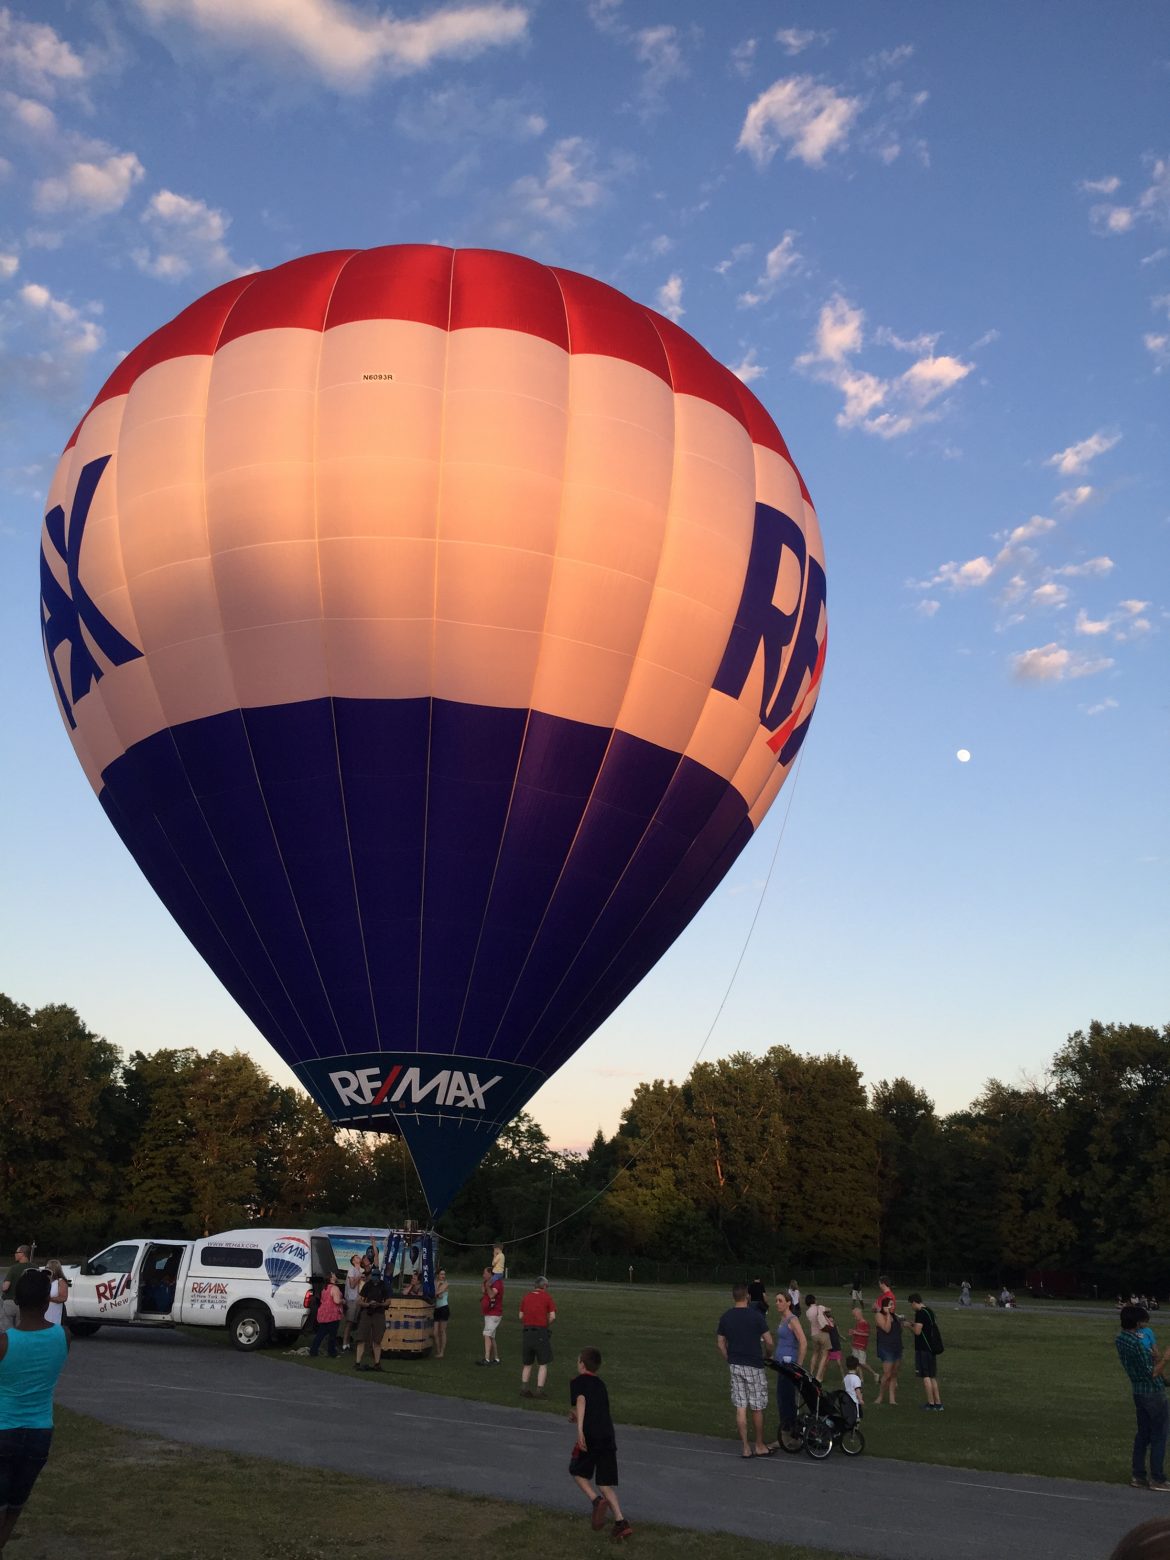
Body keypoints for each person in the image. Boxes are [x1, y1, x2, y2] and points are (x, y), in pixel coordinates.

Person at [0, 1267, 69, 1552]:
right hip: (40, 1431)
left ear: (16, 1301)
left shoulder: (4, 1342)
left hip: (4, 1429)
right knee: (16, 1505)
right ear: (46, 1302)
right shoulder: (63, 1336)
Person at [568, 1347, 630, 1540]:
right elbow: (596, 1409)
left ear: (582, 1364)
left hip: (590, 1435)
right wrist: (577, 1417)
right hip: (607, 1435)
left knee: (577, 1471)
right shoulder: (601, 1384)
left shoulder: (578, 1382)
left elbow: (581, 1401)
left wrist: (579, 1431)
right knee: (604, 1483)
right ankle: (621, 1523)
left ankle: (596, 1501)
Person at [716, 1283, 774, 1459]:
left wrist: (729, 1358)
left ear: (733, 1297)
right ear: (747, 1297)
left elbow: (720, 1342)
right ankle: (759, 1444)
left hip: (736, 1364)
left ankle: (745, 1447)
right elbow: (769, 1341)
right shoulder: (756, 1316)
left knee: (740, 1406)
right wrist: (768, 1355)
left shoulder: (726, 1317)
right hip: (754, 1364)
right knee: (757, 1406)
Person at [1117, 1304, 1169, 1491]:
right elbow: (1152, 1374)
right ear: (1137, 1322)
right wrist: (1165, 1358)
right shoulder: (1137, 1344)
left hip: (1138, 1391)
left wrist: (1155, 1359)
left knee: (1143, 1435)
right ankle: (1158, 1478)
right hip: (1152, 1393)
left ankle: (1138, 1475)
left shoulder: (1122, 1339)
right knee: (1159, 1436)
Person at [770, 1289, 807, 1437]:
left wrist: (798, 1366)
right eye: (776, 1300)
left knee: (786, 1398)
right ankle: (786, 1430)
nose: (777, 1303)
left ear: (788, 1303)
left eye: (780, 1301)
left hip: (789, 1366)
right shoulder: (783, 1319)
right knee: (781, 1397)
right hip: (781, 1364)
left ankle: (790, 1432)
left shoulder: (792, 1320)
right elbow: (783, 1341)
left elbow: (803, 1342)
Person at [519, 1276, 557, 1398]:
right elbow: (552, 1316)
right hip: (540, 1332)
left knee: (527, 1363)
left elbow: (521, 1316)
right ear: (544, 1286)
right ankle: (539, 1390)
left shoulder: (526, 1297)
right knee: (542, 1363)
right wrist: (545, 1324)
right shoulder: (547, 1297)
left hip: (527, 1332)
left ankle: (524, 1388)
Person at [908, 1293, 944, 1411]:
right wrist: (913, 1324)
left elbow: (918, 1331)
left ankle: (930, 1402)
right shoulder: (929, 1311)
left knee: (926, 1376)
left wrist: (908, 1326)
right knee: (932, 1376)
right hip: (931, 1348)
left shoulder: (920, 1313)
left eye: (911, 1304)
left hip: (923, 1348)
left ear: (914, 1302)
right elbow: (925, 1327)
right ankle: (938, 1403)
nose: (911, 1307)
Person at [353, 1271, 387, 1372]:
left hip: (379, 1313)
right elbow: (359, 1301)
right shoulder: (367, 1286)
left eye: (377, 1276)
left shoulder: (383, 1286)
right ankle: (357, 1362)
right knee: (361, 1338)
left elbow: (388, 1301)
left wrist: (379, 1304)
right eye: (373, 1276)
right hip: (367, 1312)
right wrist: (368, 1304)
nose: (375, 1278)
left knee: (377, 1340)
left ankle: (377, 1363)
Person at [874, 1294, 903, 1405]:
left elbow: (898, 1330)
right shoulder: (879, 1315)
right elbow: (886, 1329)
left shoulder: (894, 1315)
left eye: (893, 1304)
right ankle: (880, 1397)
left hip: (897, 1346)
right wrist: (886, 1315)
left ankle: (892, 1399)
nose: (892, 1306)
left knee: (894, 1373)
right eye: (890, 1304)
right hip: (886, 1347)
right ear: (885, 1306)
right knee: (887, 1374)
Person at [309, 1271, 344, 1359]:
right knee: (332, 1334)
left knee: (321, 1333)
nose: (335, 1276)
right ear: (331, 1278)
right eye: (334, 1275)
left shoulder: (324, 1288)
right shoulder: (335, 1288)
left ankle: (313, 1350)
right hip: (332, 1314)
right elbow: (336, 1301)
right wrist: (343, 1301)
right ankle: (332, 1352)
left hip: (323, 1313)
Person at [0, 1251, 30, 1333]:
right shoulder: (35, 1268)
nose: (15, 1254)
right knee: (22, 1329)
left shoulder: (14, 1268)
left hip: (11, 1301)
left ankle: (9, 1345)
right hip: (26, 1304)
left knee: (7, 1330)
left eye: (17, 1252)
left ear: (22, 1254)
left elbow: (5, 1287)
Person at [479, 1268, 503, 1365]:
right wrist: (485, 1283)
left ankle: (487, 1359)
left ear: (490, 1273)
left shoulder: (497, 1283)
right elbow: (483, 1291)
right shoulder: (488, 1282)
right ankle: (496, 1358)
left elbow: (492, 1295)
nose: (483, 1275)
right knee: (491, 1336)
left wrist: (488, 1286)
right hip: (489, 1313)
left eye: (485, 1273)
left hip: (494, 1314)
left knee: (487, 1334)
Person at [849, 1306, 879, 1384]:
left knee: (862, 1363)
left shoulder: (865, 1323)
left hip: (861, 1345)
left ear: (859, 1314)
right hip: (855, 1345)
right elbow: (858, 1332)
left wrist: (855, 1332)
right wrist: (853, 1332)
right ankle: (861, 1379)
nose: (854, 1317)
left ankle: (874, 1374)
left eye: (855, 1315)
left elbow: (866, 1334)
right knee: (856, 1363)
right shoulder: (858, 1323)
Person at [804, 1293, 829, 1382]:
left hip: (813, 1334)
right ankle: (818, 1376)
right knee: (824, 1355)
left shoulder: (807, 1312)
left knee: (815, 1353)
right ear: (814, 1300)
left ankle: (811, 1373)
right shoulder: (819, 1308)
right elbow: (829, 1309)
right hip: (822, 1333)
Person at [341, 1255, 363, 1352]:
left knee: (353, 1323)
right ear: (353, 1261)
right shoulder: (352, 1270)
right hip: (351, 1300)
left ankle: (348, 1343)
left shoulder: (359, 1271)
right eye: (357, 1257)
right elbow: (352, 1285)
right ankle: (344, 1344)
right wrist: (359, 1277)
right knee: (349, 1322)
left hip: (357, 1300)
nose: (360, 1258)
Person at [821, 1306, 844, 1384]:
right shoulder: (827, 1328)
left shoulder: (835, 1326)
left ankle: (843, 1377)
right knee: (825, 1364)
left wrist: (842, 1337)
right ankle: (821, 1377)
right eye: (830, 1320)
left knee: (839, 1364)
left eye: (832, 1320)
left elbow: (838, 1334)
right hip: (830, 1346)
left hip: (836, 1346)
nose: (832, 1321)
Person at [433, 1268, 449, 1360]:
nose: (443, 1276)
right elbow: (435, 1293)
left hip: (444, 1308)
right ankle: (438, 1351)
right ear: (438, 1275)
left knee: (442, 1331)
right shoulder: (435, 1282)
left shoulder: (446, 1284)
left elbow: (438, 1293)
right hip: (436, 1309)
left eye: (444, 1274)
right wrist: (437, 1287)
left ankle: (442, 1352)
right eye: (441, 1274)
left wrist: (437, 1290)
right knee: (435, 1332)